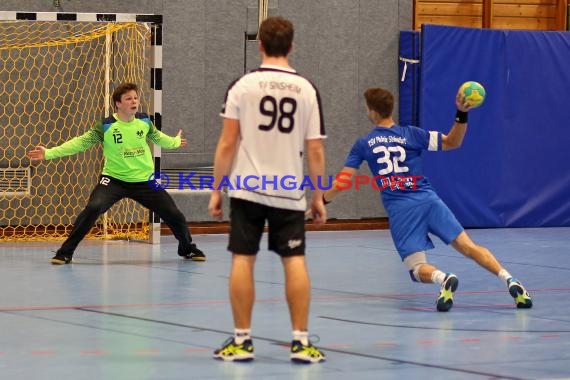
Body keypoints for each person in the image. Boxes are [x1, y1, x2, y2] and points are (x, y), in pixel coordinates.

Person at [321, 87, 532, 312]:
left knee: (416, 267)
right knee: (469, 247)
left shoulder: (363, 144)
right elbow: (453, 142)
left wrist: (321, 201)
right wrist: (462, 113)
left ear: (372, 112)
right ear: (390, 109)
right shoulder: (412, 134)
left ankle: (443, 278)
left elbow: (342, 183)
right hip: (428, 199)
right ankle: (510, 280)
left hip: (402, 209)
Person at [208, 16, 327, 363]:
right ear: (292, 46)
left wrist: (217, 189)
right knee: (294, 260)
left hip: (246, 189)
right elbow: (316, 149)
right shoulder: (306, 89)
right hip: (288, 191)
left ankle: (242, 341)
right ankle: (301, 342)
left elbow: (227, 142)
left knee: (243, 258)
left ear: (259, 44)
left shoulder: (242, 86)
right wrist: (318, 195)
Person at [27, 83, 206, 264]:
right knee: (93, 208)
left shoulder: (144, 121)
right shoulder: (106, 126)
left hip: (145, 181)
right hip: (114, 180)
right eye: (129, 98)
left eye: (135, 98)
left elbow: (159, 138)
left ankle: (187, 248)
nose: (134, 101)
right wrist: (49, 153)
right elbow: (80, 143)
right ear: (118, 104)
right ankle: (65, 252)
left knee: (173, 213)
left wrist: (175, 142)